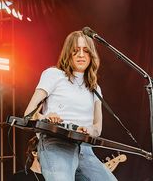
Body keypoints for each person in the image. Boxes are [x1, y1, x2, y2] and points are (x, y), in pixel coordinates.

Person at [23, 30, 117, 181]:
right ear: (68, 53)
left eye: (86, 50)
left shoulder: (95, 88)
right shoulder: (53, 74)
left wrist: (88, 130)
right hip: (57, 144)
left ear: (92, 55)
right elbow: (29, 113)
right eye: (75, 50)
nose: (81, 55)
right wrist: (45, 118)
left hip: (85, 149)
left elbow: (97, 128)